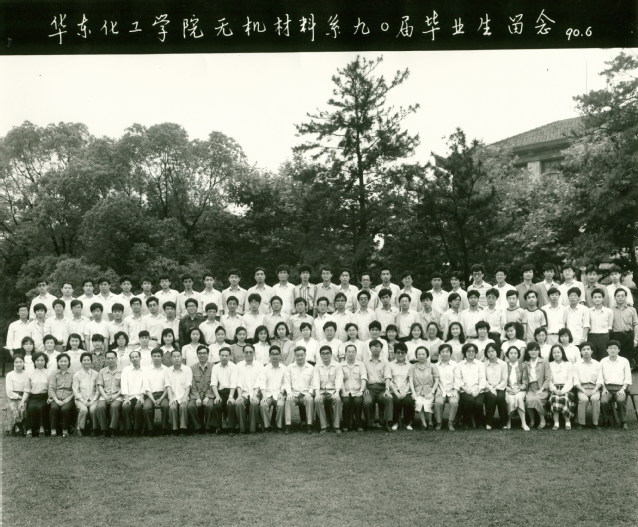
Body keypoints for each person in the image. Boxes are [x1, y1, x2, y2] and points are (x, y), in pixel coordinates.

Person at [283, 346, 317, 434]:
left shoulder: (311, 368)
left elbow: (313, 383)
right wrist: (289, 393)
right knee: (288, 400)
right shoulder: (290, 367)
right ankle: (288, 425)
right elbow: (287, 382)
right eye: (297, 355)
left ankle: (309, 424)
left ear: (305, 355)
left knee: (310, 400)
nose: (300, 357)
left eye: (302, 355)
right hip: (294, 394)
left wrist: (310, 393)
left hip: (305, 394)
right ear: (295, 356)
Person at [600, 340, 632, 430]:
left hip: (620, 387)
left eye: (615, 348)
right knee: (603, 401)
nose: (613, 350)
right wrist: (604, 388)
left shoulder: (624, 361)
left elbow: (628, 378)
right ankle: (606, 421)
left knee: (621, 400)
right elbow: (600, 377)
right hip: (607, 388)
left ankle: (623, 422)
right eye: (610, 348)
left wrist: (623, 389)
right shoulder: (603, 361)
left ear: (619, 350)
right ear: (607, 350)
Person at [363, 339, 392, 431]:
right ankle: (369, 423)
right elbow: (363, 377)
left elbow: (387, 377)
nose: (376, 348)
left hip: (381, 388)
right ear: (370, 348)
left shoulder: (385, 362)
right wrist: (365, 388)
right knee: (367, 402)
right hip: (370, 389)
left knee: (388, 398)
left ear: (381, 349)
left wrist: (387, 389)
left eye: (378, 346)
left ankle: (387, 422)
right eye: (373, 346)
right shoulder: (365, 362)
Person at [454, 343, 486, 429]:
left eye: (473, 351)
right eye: (468, 351)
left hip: (478, 390)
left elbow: (482, 379)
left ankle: (479, 422)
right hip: (465, 390)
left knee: (478, 403)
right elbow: (458, 379)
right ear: (464, 352)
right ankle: (466, 422)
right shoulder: (460, 365)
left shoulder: (480, 364)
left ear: (475, 353)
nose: (471, 353)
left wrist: (478, 391)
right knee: (469, 400)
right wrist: (466, 390)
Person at [314, 345, 343, 433]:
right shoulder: (317, 366)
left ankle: (336, 426)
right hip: (322, 391)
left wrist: (337, 392)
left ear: (331, 354)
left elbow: (339, 379)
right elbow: (316, 380)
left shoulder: (337, 365)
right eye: (323, 354)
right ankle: (324, 426)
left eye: (327, 353)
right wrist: (317, 393)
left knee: (337, 400)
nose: (325, 355)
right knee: (318, 400)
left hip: (333, 391)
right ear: (320, 355)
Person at [573, 342, 603, 429]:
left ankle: (595, 423)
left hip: (594, 388)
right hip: (582, 388)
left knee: (595, 399)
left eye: (588, 349)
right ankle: (581, 423)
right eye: (584, 350)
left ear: (591, 351)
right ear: (580, 352)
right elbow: (576, 381)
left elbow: (600, 379)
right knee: (583, 399)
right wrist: (583, 390)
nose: (586, 351)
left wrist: (595, 389)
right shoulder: (576, 365)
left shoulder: (597, 364)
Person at [235, 344, 263, 434]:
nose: (248, 354)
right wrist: (239, 396)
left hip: (255, 393)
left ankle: (252, 428)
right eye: (246, 352)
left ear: (254, 353)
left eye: (251, 352)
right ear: (243, 353)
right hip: (243, 394)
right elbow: (238, 382)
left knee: (254, 403)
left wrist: (255, 395)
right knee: (238, 403)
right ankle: (242, 428)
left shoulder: (259, 365)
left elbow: (259, 381)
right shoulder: (239, 365)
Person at [386, 342, 414, 431]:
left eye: (403, 352)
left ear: (406, 353)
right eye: (398, 352)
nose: (400, 354)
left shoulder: (410, 366)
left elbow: (410, 380)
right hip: (394, 390)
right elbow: (389, 380)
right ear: (394, 353)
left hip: (406, 390)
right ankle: (395, 422)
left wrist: (405, 392)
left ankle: (407, 422)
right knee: (396, 401)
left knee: (408, 401)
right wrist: (396, 392)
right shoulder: (389, 365)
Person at [210, 347, 238, 434]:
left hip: (232, 391)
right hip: (220, 392)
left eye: (226, 355)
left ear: (230, 356)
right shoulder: (215, 367)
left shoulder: (234, 367)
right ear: (219, 356)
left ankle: (231, 428)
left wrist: (231, 397)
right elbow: (213, 383)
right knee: (217, 404)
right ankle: (218, 427)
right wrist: (217, 396)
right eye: (222, 355)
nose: (224, 357)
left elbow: (234, 383)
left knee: (230, 405)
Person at [259, 345, 286, 432]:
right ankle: (267, 426)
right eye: (272, 354)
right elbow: (262, 383)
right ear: (269, 356)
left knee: (281, 404)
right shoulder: (265, 369)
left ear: (280, 355)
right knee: (263, 404)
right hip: (267, 394)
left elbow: (285, 383)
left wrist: (281, 393)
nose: (275, 356)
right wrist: (264, 396)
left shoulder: (284, 368)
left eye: (277, 354)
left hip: (278, 394)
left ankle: (279, 426)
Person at [142, 348, 170, 435]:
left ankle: (164, 428)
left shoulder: (166, 369)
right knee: (146, 408)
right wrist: (153, 400)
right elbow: (146, 387)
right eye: (154, 356)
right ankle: (150, 429)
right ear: (151, 357)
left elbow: (168, 386)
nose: (156, 358)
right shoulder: (147, 370)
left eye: (158, 356)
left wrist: (161, 399)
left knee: (165, 406)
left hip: (163, 395)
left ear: (162, 357)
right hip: (151, 395)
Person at [522, 342, 549, 429]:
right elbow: (525, 379)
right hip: (531, 388)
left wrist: (541, 389)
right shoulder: (526, 363)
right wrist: (524, 387)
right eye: (531, 350)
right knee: (528, 400)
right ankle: (532, 420)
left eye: (535, 350)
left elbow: (548, 378)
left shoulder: (544, 361)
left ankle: (542, 419)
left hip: (542, 388)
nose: (533, 352)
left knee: (537, 399)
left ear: (539, 351)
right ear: (528, 352)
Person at [188, 345, 215, 434]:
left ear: (208, 354)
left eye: (204, 353)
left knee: (209, 406)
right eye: (200, 353)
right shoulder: (192, 368)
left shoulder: (213, 367)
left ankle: (207, 427)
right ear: (197, 355)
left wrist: (208, 396)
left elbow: (214, 383)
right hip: (196, 395)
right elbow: (192, 384)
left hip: (209, 394)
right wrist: (197, 398)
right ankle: (197, 427)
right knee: (191, 406)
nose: (202, 355)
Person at [95, 350, 122, 437]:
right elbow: (100, 385)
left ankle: (113, 429)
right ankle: (104, 429)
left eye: (112, 358)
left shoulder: (122, 371)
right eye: (108, 358)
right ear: (105, 359)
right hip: (105, 395)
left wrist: (115, 396)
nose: (110, 360)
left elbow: (124, 387)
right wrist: (105, 396)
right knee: (100, 406)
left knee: (114, 406)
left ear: (116, 358)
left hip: (117, 395)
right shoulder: (102, 371)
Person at [340, 344, 367, 432]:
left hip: (357, 391)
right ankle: (346, 424)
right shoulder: (341, 365)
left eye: (353, 352)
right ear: (345, 353)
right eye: (349, 352)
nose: (351, 354)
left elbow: (363, 378)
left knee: (358, 401)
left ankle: (358, 424)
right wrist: (343, 392)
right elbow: (340, 380)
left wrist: (361, 391)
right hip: (346, 391)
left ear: (356, 353)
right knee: (346, 402)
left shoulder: (361, 364)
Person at [548, 344, 575, 430]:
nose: (556, 354)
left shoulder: (568, 364)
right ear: (551, 354)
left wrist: (563, 390)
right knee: (554, 398)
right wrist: (554, 390)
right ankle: (556, 423)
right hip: (554, 388)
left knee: (564, 398)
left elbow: (570, 380)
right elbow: (548, 380)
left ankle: (567, 422)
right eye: (554, 352)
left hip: (566, 388)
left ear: (562, 353)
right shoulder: (549, 365)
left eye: (558, 352)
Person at [23, 352, 50, 437]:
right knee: (31, 407)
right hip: (33, 397)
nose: (40, 362)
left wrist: (50, 397)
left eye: (42, 360)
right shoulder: (30, 373)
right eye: (37, 360)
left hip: (45, 397)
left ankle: (42, 428)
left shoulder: (49, 373)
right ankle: (29, 429)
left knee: (41, 407)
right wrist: (23, 400)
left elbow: (51, 388)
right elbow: (27, 389)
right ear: (34, 361)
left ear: (45, 361)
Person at [48, 353, 75, 437]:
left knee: (65, 409)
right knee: (54, 408)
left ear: (69, 362)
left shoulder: (73, 374)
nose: (63, 363)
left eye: (65, 361)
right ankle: (53, 430)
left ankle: (65, 430)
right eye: (61, 361)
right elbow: (51, 388)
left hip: (69, 397)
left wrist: (67, 400)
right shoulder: (54, 373)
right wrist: (56, 400)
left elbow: (75, 390)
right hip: (56, 397)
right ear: (58, 362)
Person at [72, 351, 99, 436]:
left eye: (88, 360)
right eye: (84, 360)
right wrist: (83, 401)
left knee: (93, 409)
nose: (86, 362)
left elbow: (98, 390)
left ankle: (94, 428)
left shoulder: (96, 374)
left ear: (91, 361)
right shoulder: (77, 375)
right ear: (81, 361)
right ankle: (80, 428)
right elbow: (75, 391)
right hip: (80, 399)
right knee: (84, 409)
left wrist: (94, 400)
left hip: (93, 398)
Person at [166, 349, 192, 435]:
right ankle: (175, 428)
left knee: (183, 407)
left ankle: (183, 428)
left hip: (184, 395)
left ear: (182, 358)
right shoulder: (168, 370)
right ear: (171, 359)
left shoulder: (187, 369)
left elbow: (188, 385)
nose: (176, 358)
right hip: (173, 396)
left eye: (178, 356)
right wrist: (171, 399)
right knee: (172, 407)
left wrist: (185, 397)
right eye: (174, 357)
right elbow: (168, 386)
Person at [504, 347, 530, 431]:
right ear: (508, 355)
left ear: (518, 354)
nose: (513, 355)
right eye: (511, 353)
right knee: (511, 400)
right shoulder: (504, 365)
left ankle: (523, 423)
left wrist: (518, 389)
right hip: (508, 389)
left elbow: (525, 382)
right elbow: (503, 381)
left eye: (515, 353)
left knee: (519, 398)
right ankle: (508, 421)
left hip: (519, 389)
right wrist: (508, 389)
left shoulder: (522, 366)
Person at [408, 346, 435, 430]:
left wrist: (432, 392)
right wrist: (413, 392)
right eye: (419, 354)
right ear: (416, 355)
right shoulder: (413, 367)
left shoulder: (432, 366)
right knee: (419, 403)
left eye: (423, 354)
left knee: (427, 403)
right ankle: (424, 423)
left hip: (429, 391)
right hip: (417, 391)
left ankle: (430, 422)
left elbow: (437, 380)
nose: (421, 356)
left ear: (427, 355)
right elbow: (410, 380)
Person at [610, 288, 638, 365]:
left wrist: (636, 339)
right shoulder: (610, 310)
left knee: (628, 358)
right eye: (618, 296)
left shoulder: (632, 309)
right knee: (616, 357)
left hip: (629, 335)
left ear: (626, 297)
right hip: (616, 336)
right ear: (615, 297)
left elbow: (636, 324)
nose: (620, 298)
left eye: (622, 296)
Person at [121, 350, 146, 436]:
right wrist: (126, 398)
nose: (134, 359)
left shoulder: (145, 370)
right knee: (125, 407)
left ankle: (137, 429)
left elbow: (145, 384)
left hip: (140, 396)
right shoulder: (126, 369)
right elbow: (124, 384)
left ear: (140, 358)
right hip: (129, 396)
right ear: (130, 359)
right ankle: (128, 429)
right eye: (132, 357)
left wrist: (142, 396)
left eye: (136, 357)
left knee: (138, 407)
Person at [483, 342, 507, 430]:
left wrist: (496, 388)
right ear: (486, 353)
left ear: (497, 351)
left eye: (493, 351)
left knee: (500, 398)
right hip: (488, 388)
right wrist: (491, 388)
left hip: (500, 387)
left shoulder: (503, 364)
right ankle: (489, 422)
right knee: (492, 397)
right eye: (488, 351)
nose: (491, 353)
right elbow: (483, 379)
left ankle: (504, 422)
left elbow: (504, 380)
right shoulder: (484, 365)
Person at [3, 303, 31, 377]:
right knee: (18, 371)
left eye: (25, 310)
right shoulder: (13, 325)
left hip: (29, 350)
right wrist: (11, 351)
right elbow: (9, 339)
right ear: (18, 313)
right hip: (17, 350)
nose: (23, 312)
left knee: (29, 370)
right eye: (21, 310)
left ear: (28, 312)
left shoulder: (32, 324)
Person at [588, 288, 613, 361]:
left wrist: (606, 337)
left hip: (604, 336)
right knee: (593, 357)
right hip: (592, 336)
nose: (597, 299)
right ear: (592, 299)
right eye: (595, 297)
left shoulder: (609, 311)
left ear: (603, 299)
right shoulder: (588, 311)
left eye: (599, 297)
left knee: (604, 357)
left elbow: (610, 326)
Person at [5, 355, 28, 435]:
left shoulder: (27, 374)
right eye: (16, 362)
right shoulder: (9, 375)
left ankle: (22, 428)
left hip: (25, 396)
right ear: (13, 363)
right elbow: (9, 392)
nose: (18, 364)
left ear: (23, 363)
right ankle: (13, 427)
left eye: (20, 362)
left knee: (22, 408)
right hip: (13, 397)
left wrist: (23, 399)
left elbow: (27, 389)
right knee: (13, 409)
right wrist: (19, 397)